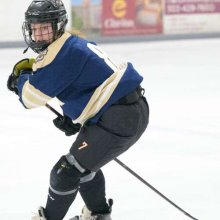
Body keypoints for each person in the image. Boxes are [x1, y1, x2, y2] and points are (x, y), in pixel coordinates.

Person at [7, 0, 149, 219]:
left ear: (58, 25)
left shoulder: (62, 55)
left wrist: (20, 80)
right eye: (35, 28)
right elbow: (92, 84)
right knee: (83, 168)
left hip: (118, 119)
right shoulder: (70, 45)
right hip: (125, 112)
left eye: (45, 28)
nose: (39, 34)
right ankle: (98, 214)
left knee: (65, 172)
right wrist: (73, 116)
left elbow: (30, 98)